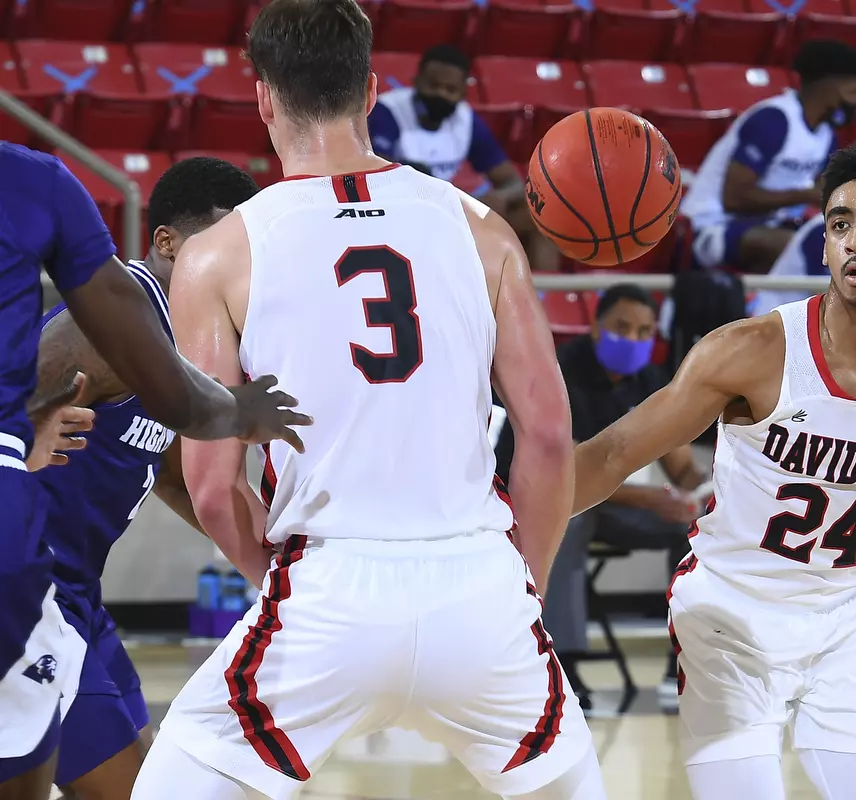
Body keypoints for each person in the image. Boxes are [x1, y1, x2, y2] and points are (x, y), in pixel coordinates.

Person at [129, 3, 603, 798]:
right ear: (374, 89)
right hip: (479, 582)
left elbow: (212, 488)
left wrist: (274, 578)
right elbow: (550, 436)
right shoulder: (484, 229)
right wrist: (526, 584)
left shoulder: (215, 255)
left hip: (327, 585)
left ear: (264, 98)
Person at [572, 139, 856, 800]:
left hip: (851, 621)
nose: (855, 241)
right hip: (730, 616)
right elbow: (611, 456)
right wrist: (509, 525)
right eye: (840, 224)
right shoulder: (749, 350)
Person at [0, 140, 307, 797]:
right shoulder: (104, 327)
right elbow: (15, 404)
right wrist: (25, 430)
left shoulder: (172, 346)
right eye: (220, 242)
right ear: (166, 242)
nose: (238, 265)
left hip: (80, 594)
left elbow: (171, 475)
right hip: (34, 591)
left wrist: (279, 556)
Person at [497, 284, 707, 710]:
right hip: (527, 504)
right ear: (595, 328)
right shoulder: (560, 374)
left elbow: (680, 466)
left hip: (608, 505)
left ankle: (687, 661)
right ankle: (564, 666)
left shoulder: (651, 381)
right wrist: (651, 499)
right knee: (570, 520)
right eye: (622, 327)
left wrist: (705, 487)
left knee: (697, 526)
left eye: (644, 331)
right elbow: (564, 476)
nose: (632, 339)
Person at [679, 39, 856, 274]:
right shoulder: (773, 120)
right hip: (710, 226)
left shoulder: (826, 136)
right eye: (852, 92)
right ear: (828, 87)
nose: (854, 103)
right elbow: (733, 199)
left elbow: (822, 191)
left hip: (772, 224)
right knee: (801, 250)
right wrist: (806, 195)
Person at [368, 43, 560, 272]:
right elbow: (377, 172)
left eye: (450, 89)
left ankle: (545, 297)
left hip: (448, 211)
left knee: (537, 217)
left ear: (462, 92)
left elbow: (513, 182)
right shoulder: (387, 111)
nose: (440, 94)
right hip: (397, 211)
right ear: (417, 81)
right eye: (433, 85)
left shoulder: (466, 120)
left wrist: (497, 196)